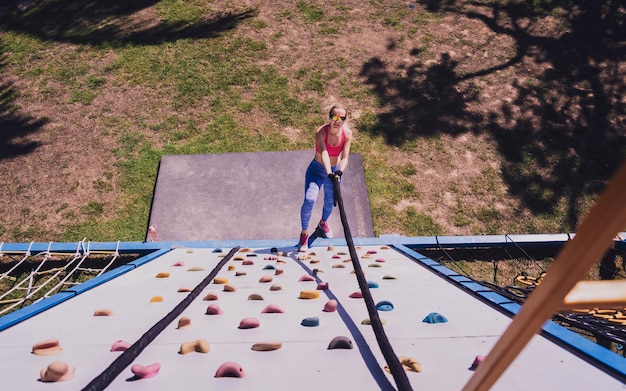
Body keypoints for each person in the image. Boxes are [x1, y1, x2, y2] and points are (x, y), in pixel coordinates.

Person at [298, 104, 353, 250]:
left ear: (345, 120)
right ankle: (304, 234)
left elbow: (345, 157)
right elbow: (324, 153)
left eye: (341, 118)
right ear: (329, 117)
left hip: (334, 171)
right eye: (334, 117)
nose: (337, 120)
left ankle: (322, 224)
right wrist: (328, 172)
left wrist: (339, 171)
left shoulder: (347, 134)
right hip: (317, 170)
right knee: (309, 200)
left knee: (329, 202)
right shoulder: (321, 132)